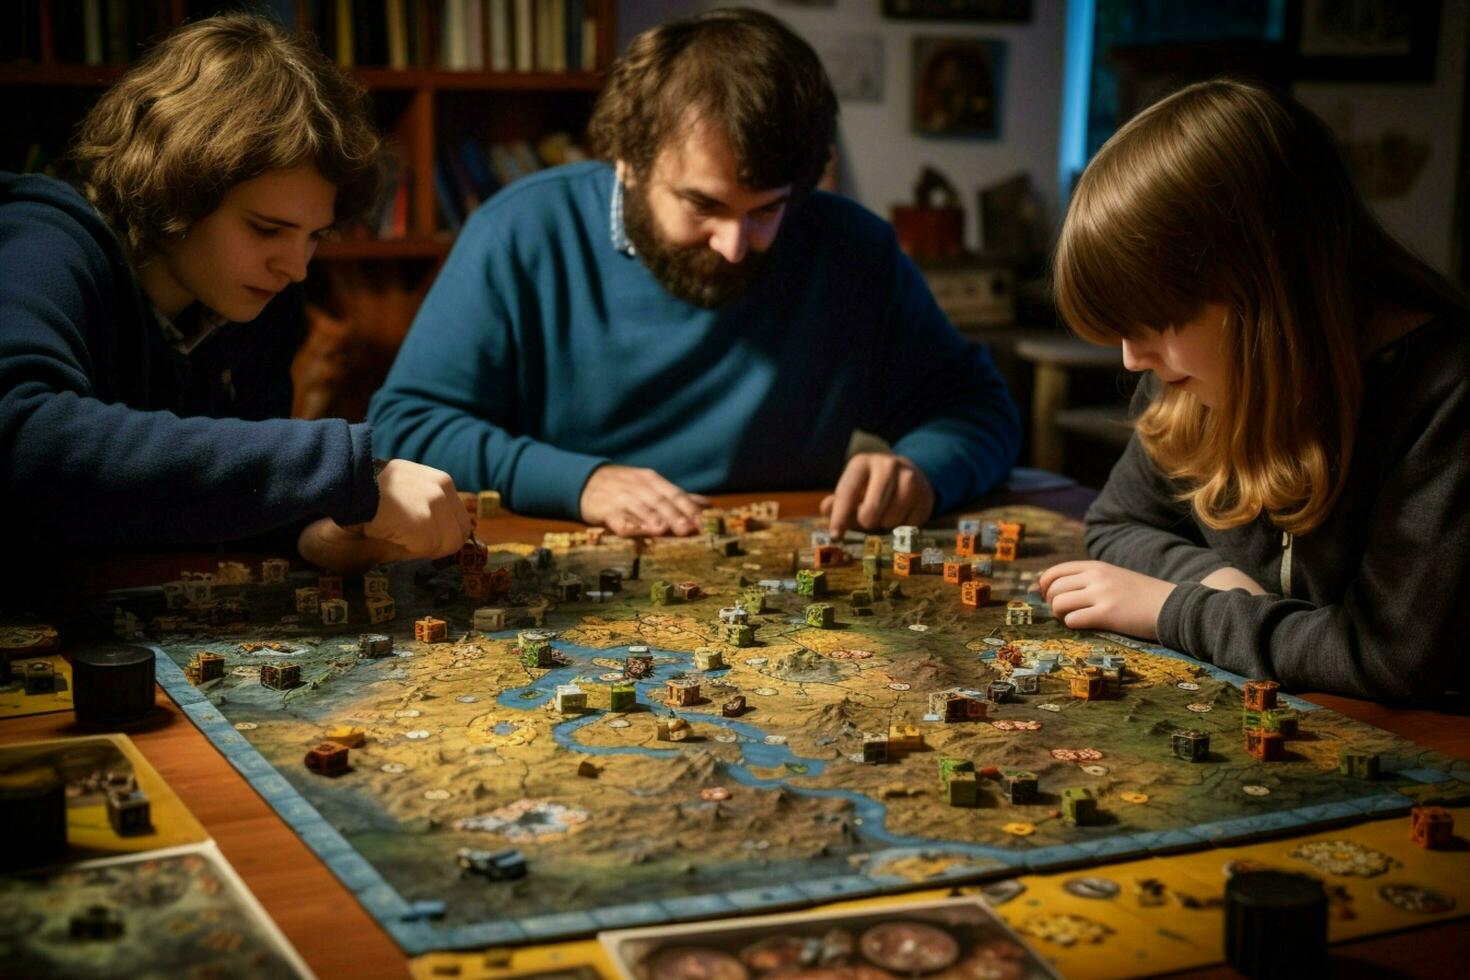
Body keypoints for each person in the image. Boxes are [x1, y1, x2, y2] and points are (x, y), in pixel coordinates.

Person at [367, 7, 1020, 540]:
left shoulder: (854, 249)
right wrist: (579, 481)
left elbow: (976, 407)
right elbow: (409, 424)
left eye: (769, 209)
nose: (737, 244)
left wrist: (922, 470)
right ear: (627, 158)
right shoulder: (521, 231)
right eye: (704, 205)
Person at [0, 13, 472, 601]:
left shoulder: (261, 300)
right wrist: (341, 469)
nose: (296, 267)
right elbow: (22, 440)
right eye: (266, 228)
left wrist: (311, 535)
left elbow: (218, 491)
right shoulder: (47, 242)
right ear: (179, 187)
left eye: (313, 236)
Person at [1037, 79, 1469, 702]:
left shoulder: (1445, 396)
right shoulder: (1190, 379)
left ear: (1266, 292)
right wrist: (1214, 579)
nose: (1133, 360)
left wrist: (1171, 609)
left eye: (1156, 322)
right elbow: (1117, 521)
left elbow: (1391, 659)